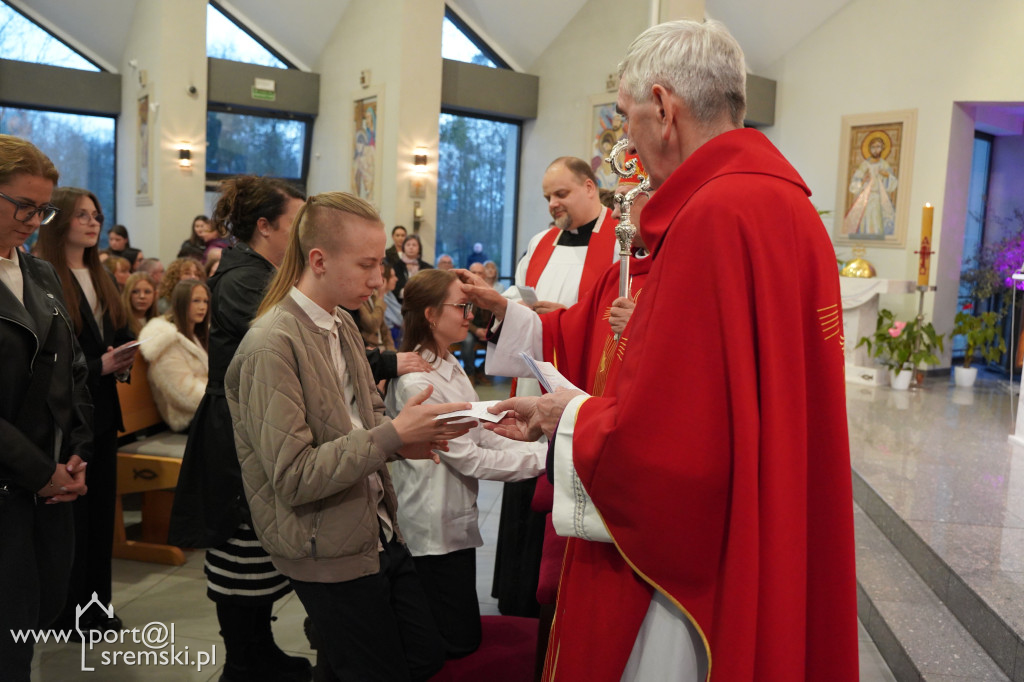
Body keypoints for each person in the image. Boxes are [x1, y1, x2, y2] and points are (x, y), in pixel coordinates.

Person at [484, 19, 858, 682]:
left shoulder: (714, 214)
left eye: (627, 118)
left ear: (664, 106)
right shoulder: (787, 204)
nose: (628, 138)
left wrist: (563, 417)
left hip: (698, 566)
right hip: (762, 510)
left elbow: (671, 449)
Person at [225, 191, 475, 682]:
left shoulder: (339, 322)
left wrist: (405, 441)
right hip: (324, 544)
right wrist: (390, 437)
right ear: (318, 260)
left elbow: (365, 417)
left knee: (420, 654)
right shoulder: (271, 345)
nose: (379, 280)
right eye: (366, 265)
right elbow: (293, 476)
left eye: (380, 264)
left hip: (374, 526)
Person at [166, 176, 310, 682]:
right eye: (296, 222)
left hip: (253, 421)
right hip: (235, 431)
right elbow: (292, 338)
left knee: (259, 546)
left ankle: (259, 650)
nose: (304, 232)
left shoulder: (264, 268)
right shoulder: (243, 277)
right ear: (265, 226)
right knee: (240, 547)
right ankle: (244, 663)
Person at [385, 269, 546, 657]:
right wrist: (545, 459)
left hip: (454, 515)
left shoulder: (449, 364)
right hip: (432, 521)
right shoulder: (416, 381)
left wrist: (535, 444)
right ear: (429, 314)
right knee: (452, 640)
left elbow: (482, 428)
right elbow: (469, 457)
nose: (469, 315)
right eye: (462, 306)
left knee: (461, 631)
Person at [490, 155, 620, 618]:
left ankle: (566, 596)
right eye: (547, 196)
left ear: (590, 187)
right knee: (529, 481)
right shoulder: (540, 242)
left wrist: (563, 320)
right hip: (536, 378)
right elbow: (510, 306)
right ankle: (521, 593)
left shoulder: (621, 243)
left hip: (582, 389)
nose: (552, 204)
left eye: (561, 194)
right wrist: (519, 312)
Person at [0, 134, 91, 681]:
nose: (35, 221)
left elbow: (73, 370)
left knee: (40, 612)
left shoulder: (40, 273)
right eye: (23, 206)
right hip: (10, 483)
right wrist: (39, 472)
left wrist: (77, 450)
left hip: (49, 483)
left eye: (43, 209)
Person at [36, 186, 137, 638]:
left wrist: (121, 364)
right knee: (71, 522)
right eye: (81, 215)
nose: (93, 222)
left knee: (99, 517)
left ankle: (97, 606)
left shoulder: (101, 275)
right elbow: (54, 359)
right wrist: (101, 366)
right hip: (67, 417)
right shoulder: (45, 275)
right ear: (60, 222)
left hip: (101, 409)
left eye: (96, 215)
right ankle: (67, 613)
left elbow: (113, 336)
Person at [139, 279, 210, 432]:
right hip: (188, 418)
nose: (202, 307)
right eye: (196, 301)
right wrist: (221, 402)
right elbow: (182, 394)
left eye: (205, 301)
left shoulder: (197, 335)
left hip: (205, 412)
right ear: (181, 303)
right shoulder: (165, 341)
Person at [842, 131, 898, 236]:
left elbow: (893, 184)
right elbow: (853, 186)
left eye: (878, 147)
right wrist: (863, 179)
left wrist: (887, 176)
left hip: (879, 199)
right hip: (865, 201)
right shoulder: (864, 165)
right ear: (869, 149)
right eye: (873, 147)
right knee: (864, 225)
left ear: (883, 148)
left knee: (878, 224)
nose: (876, 149)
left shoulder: (884, 165)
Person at [393, 233, 431, 302]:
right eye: (408, 245)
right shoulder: (396, 266)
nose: (411, 247)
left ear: (419, 248)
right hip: (400, 304)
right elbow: (394, 289)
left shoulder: (427, 268)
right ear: (403, 248)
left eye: (414, 245)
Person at [121, 271, 158, 336]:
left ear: (155, 295)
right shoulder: (120, 324)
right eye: (135, 292)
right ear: (128, 294)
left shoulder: (160, 322)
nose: (142, 296)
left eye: (147, 292)